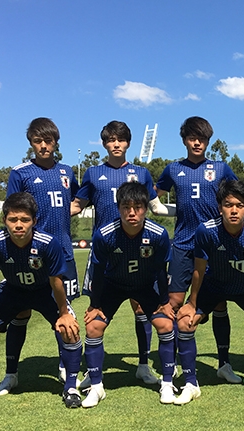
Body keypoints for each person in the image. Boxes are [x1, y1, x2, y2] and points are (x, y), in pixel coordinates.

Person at [71, 120, 172, 386]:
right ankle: (93, 372)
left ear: (128, 143)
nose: (116, 144)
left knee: (141, 307)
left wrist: (188, 212)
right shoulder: (93, 173)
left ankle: (143, 365)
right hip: (106, 252)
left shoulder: (142, 173)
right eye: (111, 140)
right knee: (96, 311)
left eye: (121, 140)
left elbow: (157, 208)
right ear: (104, 144)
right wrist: (41, 215)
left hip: (138, 250)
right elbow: (76, 206)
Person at [0, 192, 82, 417]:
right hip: (13, 291)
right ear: (4, 220)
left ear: (34, 221)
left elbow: (56, 282)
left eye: (25, 220)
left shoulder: (48, 243)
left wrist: (64, 313)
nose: (19, 225)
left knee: (69, 329)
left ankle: (71, 387)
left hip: (44, 291)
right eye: (13, 219)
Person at [176, 180, 244, 405]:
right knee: (184, 323)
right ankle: (191, 384)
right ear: (220, 207)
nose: (234, 210)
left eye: (239, 205)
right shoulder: (206, 230)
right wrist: (192, 303)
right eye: (228, 205)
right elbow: (198, 270)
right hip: (214, 286)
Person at [0, 118, 79, 397]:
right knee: (21, 312)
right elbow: (13, 210)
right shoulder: (20, 173)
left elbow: (77, 200)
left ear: (56, 142)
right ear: (31, 143)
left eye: (48, 141)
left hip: (63, 252)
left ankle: (66, 368)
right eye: (37, 141)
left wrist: (66, 212)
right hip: (31, 255)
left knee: (63, 312)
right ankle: (11, 373)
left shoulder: (67, 171)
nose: (43, 146)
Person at [155, 117, 241, 384]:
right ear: (184, 140)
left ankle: (224, 363)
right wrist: (166, 210)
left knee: (220, 302)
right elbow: (153, 196)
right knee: (174, 302)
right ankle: (173, 361)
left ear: (208, 141)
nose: (197, 143)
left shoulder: (221, 168)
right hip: (182, 244)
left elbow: (237, 195)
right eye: (192, 138)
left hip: (215, 245)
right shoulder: (173, 169)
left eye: (202, 139)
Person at [80, 182, 176, 407]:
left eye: (138, 207)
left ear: (146, 208)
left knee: (166, 325)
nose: (132, 213)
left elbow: (161, 271)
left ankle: (167, 384)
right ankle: (96, 386)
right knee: (93, 327)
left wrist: (164, 302)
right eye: (126, 207)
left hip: (144, 286)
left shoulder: (158, 234)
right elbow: (98, 273)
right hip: (113, 286)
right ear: (118, 208)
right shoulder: (105, 235)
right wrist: (95, 305)